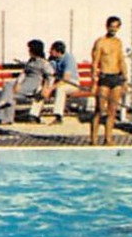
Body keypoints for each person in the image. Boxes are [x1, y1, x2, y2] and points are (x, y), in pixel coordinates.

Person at [88, 16, 126, 147]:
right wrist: (93, 82)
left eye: (116, 27)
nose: (113, 29)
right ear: (107, 26)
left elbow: (121, 60)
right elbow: (94, 63)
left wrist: (125, 79)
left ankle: (108, 138)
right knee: (99, 110)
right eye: (111, 26)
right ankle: (93, 139)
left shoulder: (118, 42)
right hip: (104, 77)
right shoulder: (100, 42)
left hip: (116, 77)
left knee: (112, 111)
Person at [41, 40, 80, 123]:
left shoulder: (69, 59)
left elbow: (65, 79)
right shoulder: (52, 60)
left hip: (71, 83)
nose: (49, 51)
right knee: (40, 89)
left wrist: (50, 88)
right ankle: (33, 115)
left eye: (52, 50)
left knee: (61, 89)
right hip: (57, 83)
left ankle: (58, 116)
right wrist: (45, 88)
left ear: (58, 52)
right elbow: (48, 76)